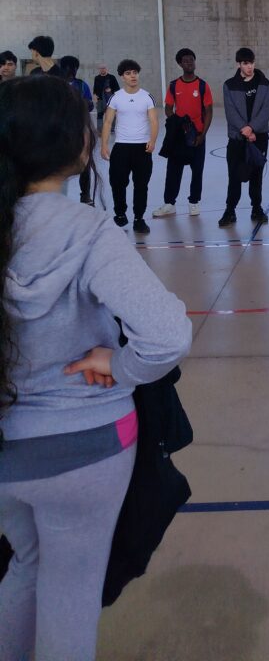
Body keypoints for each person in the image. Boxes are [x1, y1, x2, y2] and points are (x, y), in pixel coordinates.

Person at [0, 75, 192, 661]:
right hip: (87, 448)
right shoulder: (88, 232)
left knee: (25, 567)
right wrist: (120, 366)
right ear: (77, 145)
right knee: (70, 593)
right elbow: (166, 336)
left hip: (6, 449)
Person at [153, 48, 213, 218]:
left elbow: (209, 111)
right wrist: (177, 123)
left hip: (197, 135)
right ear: (180, 64)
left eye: (191, 60)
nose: (189, 63)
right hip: (179, 137)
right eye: (185, 61)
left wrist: (202, 135)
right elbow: (168, 108)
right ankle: (169, 203)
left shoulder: (203, 85)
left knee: (197, 170)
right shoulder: (174, 85)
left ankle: (194, 202)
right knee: (173, 170)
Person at [101, 59, 158, 235]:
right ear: (122, 77)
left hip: (142, 148)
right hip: (121, 147)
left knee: (141, 185)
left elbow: (154, 121)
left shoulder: (146, 96)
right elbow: (108, 121)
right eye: (128, 73)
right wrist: (104, 145)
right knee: (117, 183)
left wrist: (153, 140)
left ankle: (139, 219)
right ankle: (120, 215)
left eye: (135, 72)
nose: (132, 76)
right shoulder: (116, 97)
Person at [219, 48, 269, 228]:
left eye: (251, 63)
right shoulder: (229, 85)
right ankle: (230, 211)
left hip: (259, 138)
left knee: (256, 175)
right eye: (245, 63)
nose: (249, 67)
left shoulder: (264, 83)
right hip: (237, 138)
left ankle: (256, 208)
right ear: (239, 64)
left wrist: (252, 128)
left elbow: (266, 109)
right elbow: (230, 112)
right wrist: (245, 130)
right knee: (234, 175)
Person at [60, 55, 96, 206]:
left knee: (85, 164)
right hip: (60, 131)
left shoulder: (81, 85)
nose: (71, 70)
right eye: (68, 67)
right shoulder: (56, 85)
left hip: (80, 129)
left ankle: (85, 195)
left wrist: (84, 103)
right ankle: (58, 195)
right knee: (59, 166)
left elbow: (90, 105)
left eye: (74, 67)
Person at [93, 63, 119, 132]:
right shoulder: (97, 78)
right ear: (99, 69)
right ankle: (100, 130)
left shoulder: (112, 77)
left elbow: (117, 88)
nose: (102, 70)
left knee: (111, 115)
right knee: (99, 114)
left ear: (106, 69)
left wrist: (111, 90)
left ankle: (112, 129)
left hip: (110, 100)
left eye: (104, 68)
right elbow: (95, 89)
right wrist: (95, 96)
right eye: (101, 68)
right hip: (100, 100)